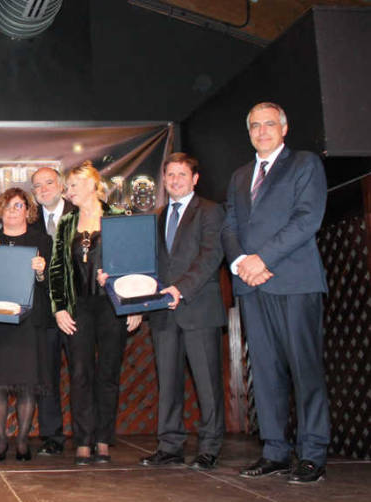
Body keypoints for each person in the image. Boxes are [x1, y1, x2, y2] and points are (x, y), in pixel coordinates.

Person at [221, 102, 329, 484]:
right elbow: (229, 227)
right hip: (251, 287)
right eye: (255, 125)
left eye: (269, 124)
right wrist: (240, 265)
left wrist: (262, 259)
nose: (262, 131)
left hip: (294, 281)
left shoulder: (305, 164)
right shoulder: (238, 176)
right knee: (264, 372)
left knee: (305, 369)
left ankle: (313, 453)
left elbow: (307, 219)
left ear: (284, 128)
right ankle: (275, 452)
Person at [49, 162, 141, 465]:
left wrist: (134, 306)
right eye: (67, 186)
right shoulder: (66, 223)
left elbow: (133, 266)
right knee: (79, 373)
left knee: (108, 373)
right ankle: (83, 441)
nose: (68, 191)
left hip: (112, 306)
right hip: (79, 307)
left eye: (73, 185)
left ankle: (103, 439)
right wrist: (59, 307)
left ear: (92, 185)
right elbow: (57, 270)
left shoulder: (119, 217)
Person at [139, 153, 226, 470]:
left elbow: (211, 256)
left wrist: (181, 288)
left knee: (207, 383)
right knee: (168, 383)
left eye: (181, 174)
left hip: (198, 308)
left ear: (195, 179)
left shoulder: (211, 211)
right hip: (163, 313)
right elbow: (150, 263)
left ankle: (210, 447)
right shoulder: (158, 216)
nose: (174, 180)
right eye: (170, 175)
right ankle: (170, 445)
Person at [0, 188, 52, 462]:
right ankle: (2, 439)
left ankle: (24, 440)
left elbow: (51, 283)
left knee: (28, 386)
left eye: (18, 206)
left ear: (28, 210)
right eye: (8, 206)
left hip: (29, 324)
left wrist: (41, 272)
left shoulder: (42, 241)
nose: (13, 211)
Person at [29, 167, 73, 456]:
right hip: (43, 314)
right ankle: (52, 437)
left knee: (83, 373)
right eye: (37, 186)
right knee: (46, 378)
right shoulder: (29, 222)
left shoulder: (80, 214)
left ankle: (87, 435)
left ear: (61, 186)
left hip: (77, 311)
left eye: (48, 183)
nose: (43, 189)